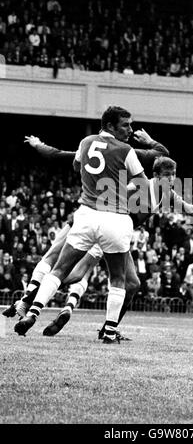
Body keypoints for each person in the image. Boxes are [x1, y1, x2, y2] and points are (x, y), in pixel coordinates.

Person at [14, 106, 149, 343]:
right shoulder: (126, 150)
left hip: (86, 215)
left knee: (59, 268)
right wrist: (122, 187)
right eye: (126, 125)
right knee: (117, 279)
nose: (130, 130)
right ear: (110, 126)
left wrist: (37, 145)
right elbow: (143, 185)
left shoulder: (86, 142)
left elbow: (75, 165)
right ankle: (108, 330)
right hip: (114, 218)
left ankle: (32, 310)